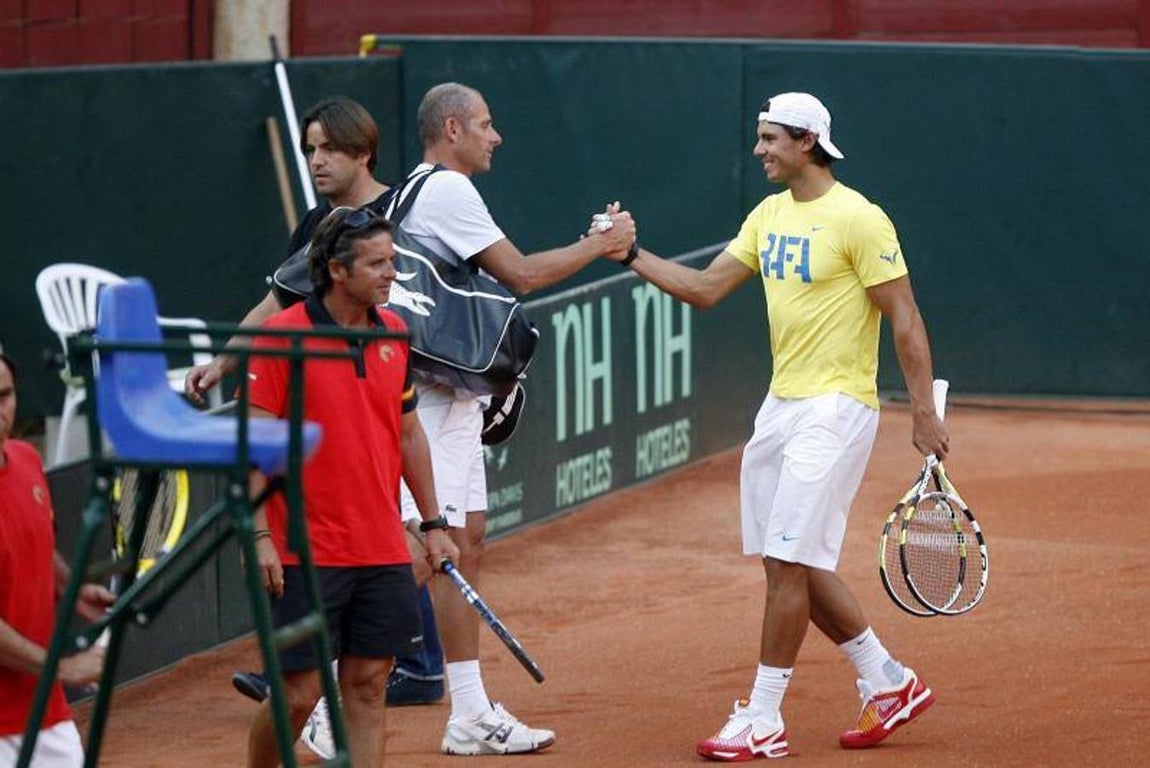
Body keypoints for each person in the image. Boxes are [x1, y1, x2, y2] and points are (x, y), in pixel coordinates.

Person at [598, 92, 948, 760]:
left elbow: (904, 316)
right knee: (792, 559)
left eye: (769, 138)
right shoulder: (768, 214)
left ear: (806, 141)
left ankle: (762, 717)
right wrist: (630, 254)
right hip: (781, 406)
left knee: (788, 560)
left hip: (837, 407)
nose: (758, 149)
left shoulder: (860, 218)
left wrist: (922, 412)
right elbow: (704, 290)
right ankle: (887, 680)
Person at [385, 81, 635, 757]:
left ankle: (469, 711)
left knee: (465, 545)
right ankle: (321, 691)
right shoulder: (447, 189)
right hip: (433, 400)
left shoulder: (419, 189)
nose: (495, 137)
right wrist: (600, 243)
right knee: (422, 550)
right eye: (485, 124)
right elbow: (521, 274)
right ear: (453, 130)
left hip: (453, 396)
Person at [186, 96, 450, 712]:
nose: (316, 161)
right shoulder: (315, 226)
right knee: (369, 547)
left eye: (330, 148)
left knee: (397, 543)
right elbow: (276, 304)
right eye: (309, 149)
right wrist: (224, 363)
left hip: (402, 395)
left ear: (364, 152)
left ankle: (413, 663)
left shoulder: (403, 210)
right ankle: (336, 671)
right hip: (335, 414)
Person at [244, 209, 459, 768]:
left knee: (367, 685)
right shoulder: (280, 337)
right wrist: (259, 536)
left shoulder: (393, 334)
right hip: (303, 550)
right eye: (378, 263)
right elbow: (255, 443)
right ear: (338, 271)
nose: (392, 273)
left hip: (380, 547)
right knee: (297, 695)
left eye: (392, 260)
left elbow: (408, 433)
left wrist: (434, 524)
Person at [0, 349, 115, 766]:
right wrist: (62, 669)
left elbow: (33, 542)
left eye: (4, 396)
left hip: (45, 714)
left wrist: (71, 588)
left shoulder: (27, 460)